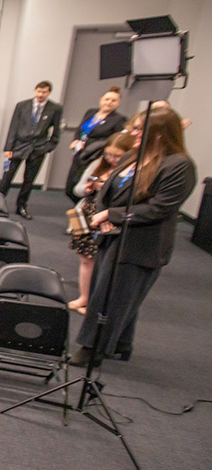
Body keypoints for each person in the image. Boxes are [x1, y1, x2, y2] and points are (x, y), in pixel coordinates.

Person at [71, 108, 197, 366]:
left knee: (114, 296)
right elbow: (109, 188)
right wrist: (106, 216)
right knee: (111, 291)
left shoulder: (178, 165)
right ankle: (120, 344)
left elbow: (159, 208)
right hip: (113, 235)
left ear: (159, 134)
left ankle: (91, 349)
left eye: (139, 129)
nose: (133, 133)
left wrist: (112, 216)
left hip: (142, 243)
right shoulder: (134, 156)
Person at [66, 132, 132, 314]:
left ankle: (96, 302)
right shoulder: (97, 165)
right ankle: (84, 297)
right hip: (85, 214)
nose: (112, 159)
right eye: (108, 154)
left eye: (117, 155)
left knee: (102, 261)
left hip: (108, 219)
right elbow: (76, 189)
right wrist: (88, 187)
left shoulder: (131, 171)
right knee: (84, 259)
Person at [0, 81, 63, 220]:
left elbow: (56, 132)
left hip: (37, 148)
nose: (40, 94)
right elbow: (13, 127)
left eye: (44, 92)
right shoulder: (22, 105)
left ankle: (21, 206)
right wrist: (8, 147)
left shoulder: (55, 108)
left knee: (29, 180)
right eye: (38, 91)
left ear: (49, 92)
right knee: (7, 177)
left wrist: (47, 148)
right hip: (19, 145)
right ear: (35, 91)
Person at [64, 87, 127, 203]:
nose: (109, 102)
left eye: (113, 100)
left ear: (118, 103)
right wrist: (76, 140)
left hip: (95, 155)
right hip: (80, 153)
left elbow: (115, 140)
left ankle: (84, 208)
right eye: (107, 99)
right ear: (101, 100)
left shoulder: (119, 119)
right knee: (70, 187)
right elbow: (80, 129)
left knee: (84, 184)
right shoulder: (90, 112)